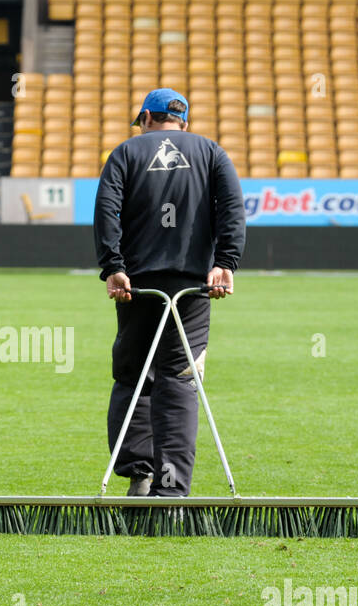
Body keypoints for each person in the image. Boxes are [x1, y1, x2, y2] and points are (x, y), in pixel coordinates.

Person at [93, 88, 246, 497]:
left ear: (145, 117)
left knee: (134, 375)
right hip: (194, 286)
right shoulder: (212, 152)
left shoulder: (126, 153)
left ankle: (138, 477)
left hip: (137, 285)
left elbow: (107, 210)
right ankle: (171, 491)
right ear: (184, 122)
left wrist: (113, 267)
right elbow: (232, 208)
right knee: (179, 380)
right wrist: (225, 263)